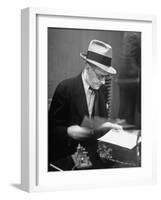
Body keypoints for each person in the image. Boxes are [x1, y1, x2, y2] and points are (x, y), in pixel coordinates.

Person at [48, 39, 122, 165]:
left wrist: (106, 126)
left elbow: (98, 123)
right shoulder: (65, 88)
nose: (104, 82)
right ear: (88, 67)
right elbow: (51, 130)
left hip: (95, 156)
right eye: (100, 76)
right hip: (69, 158)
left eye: (106, 76)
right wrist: (68, 131)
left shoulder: (102, 90)